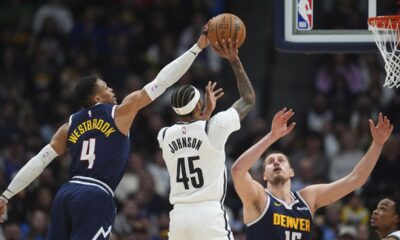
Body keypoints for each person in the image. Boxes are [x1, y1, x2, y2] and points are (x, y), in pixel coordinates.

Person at [0, 26, 210, 239]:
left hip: (65, 194)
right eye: (106, 88)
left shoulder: (69, 125)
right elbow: (162, 81)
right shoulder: (119, 113)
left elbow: (39, 161)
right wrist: (197, 48)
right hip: (95, 194)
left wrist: (6, 195)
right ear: (97, 99)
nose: (111, 90)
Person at [231, 108, 393, 240]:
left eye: (281, 160)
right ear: (264, 175)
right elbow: (238, 170)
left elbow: (356, 179)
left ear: (291, 172)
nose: (276, 162)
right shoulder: (258, 197)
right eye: (270, 161)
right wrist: (272, 136)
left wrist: (377, 144)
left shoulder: (308, 197)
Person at [157, 39, 255, 240]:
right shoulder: (214, 126)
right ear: (198, 107)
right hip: (207, 214)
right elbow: (248, 99)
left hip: (179, 217)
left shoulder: (164, 135)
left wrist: (205, 112)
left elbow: (191, 132)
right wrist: (234, 60)